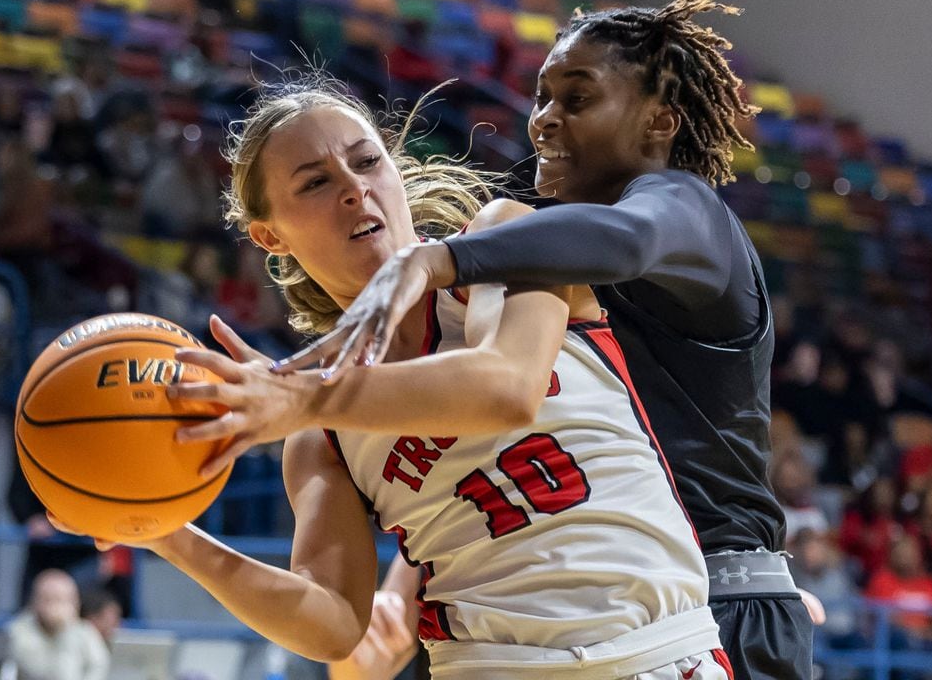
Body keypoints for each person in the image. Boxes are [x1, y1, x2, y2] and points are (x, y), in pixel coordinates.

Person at [217, 0, 813, 678]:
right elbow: (478, 478)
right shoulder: (522, 241)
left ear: (659, 120)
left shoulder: (667, 212)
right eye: (540, 98)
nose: (544, 122)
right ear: (269, 234)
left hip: (704, 599)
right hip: (530, 624)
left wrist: (432, 262)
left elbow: (512, 384)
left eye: (578, 99)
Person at [57, 80, 731, 679]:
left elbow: (507, 388)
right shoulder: (319, 431)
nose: (354, 187)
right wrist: (167, 532)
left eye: (366, 160)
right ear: (272, 237)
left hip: (654, 653)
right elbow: (331, 622)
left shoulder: (505, 242)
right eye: (315, 182)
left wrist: (297, 397)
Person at [5, 570, 109, 680]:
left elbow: (99, 666)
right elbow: (45, 673)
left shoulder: (84, 631)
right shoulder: (20, 631)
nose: (59, 607)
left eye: (65, 600)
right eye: (52, 599)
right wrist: (63, 631)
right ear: (36, 602)